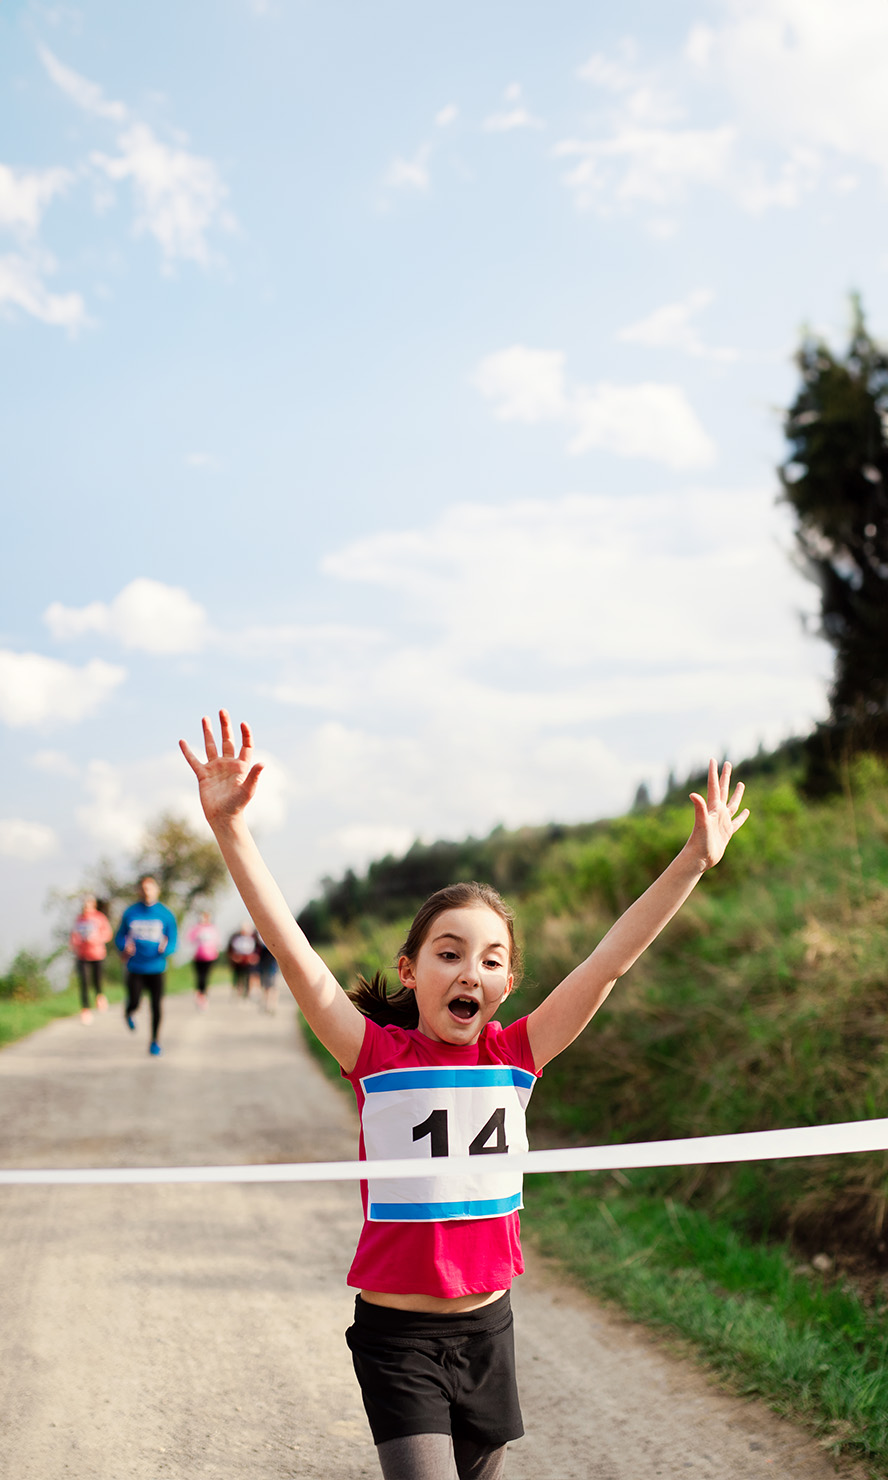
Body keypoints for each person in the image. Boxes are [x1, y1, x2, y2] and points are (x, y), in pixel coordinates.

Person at [180, 711, 749, 1480]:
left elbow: (609, 962)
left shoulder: (519, 1054)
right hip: (397, 1338)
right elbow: (290, 947)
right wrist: (231, 830)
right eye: (448, 953)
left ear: (507, 985)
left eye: (489, 959)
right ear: (411, 970)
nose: (468, 971)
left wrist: (691, 862)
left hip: (489, 1329)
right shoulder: (374, 1054)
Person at [115, 875, 178, 1057]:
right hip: (135, 967)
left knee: (156, 1006)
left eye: (150, 888)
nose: (146, 891)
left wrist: (167, 949)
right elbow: (119, 936)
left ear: (157, 890)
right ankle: (129, 1012)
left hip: (157, 967)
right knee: (134, 1000)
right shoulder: (131, 912)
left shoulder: (166, 914)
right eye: (143, 888)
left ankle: (155, 1041)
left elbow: (173, 939)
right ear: (139, 891)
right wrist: (123, 946)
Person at [69, 894, 112, 1024]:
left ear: (93, 904)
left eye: (88, 903)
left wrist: (96, 939)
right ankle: (85, 1010)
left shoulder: (100, 918)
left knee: (96, 980)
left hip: (97, 954)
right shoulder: (79, 919)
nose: (86, 906)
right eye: (84, 903)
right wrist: (75, 942)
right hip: (82, 955)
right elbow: (74, 935)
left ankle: (100, 996)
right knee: (84, 983)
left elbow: (108, 934)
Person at [188, 910, 220, 1008]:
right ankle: (199, 995)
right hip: (198, 956)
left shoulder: (212, 928)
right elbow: (190, 939)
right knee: (199, 977)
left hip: (210, 957)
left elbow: (217, 941)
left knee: (206, 977)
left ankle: (204, 996)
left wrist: (215, 951)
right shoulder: (196, 928)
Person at [227, 921, 260, 997]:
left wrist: (254, 957)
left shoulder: (253, 938)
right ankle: (238, 990)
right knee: (238, 976)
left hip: (248, 961)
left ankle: (247, 992)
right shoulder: (235, 938)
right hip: (238, 961)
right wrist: (233, 957)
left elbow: (257, 950)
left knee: (249, 976)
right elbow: (230, 949)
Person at [256, 932, 279, 1014]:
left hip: (272, 963)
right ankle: (266, 1003)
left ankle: (271, 1004)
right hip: (264, 963)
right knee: (265, 985)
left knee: (272, 985)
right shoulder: (259, 936)